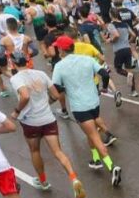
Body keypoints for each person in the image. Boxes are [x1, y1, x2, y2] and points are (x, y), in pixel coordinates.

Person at [50, 36, 123, 187]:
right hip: (94, 102)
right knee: (91, 132)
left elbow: (56, 88)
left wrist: (64, 90)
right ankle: (95, 159)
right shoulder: (87, 60)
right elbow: (105, 73)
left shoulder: (59, 66)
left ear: (62, 50)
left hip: (79, 107)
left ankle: (111, 166)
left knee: (94, 136)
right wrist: (104, 87)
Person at [8, 68, 85, 198]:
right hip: (48, 118)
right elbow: (56, 95)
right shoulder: (41, 74)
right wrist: (45, 104)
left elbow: (25, 96)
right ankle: (74, 178)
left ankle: (43, 181)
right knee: (58, 152)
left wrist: (16, 111)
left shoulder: (16, 78)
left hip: (30, 121)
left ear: (14, 63)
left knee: (35, 151)